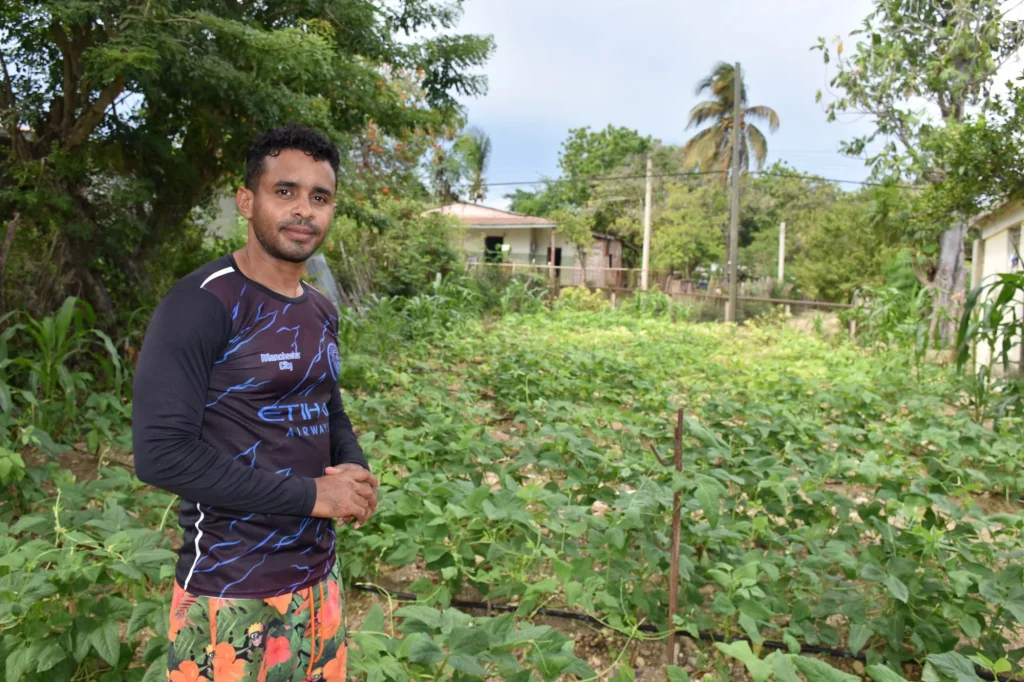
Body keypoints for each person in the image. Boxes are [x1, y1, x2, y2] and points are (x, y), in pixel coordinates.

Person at [132, 124, 378, 682]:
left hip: (320, 582)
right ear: (247, 200)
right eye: (284, 191)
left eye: (320, 197)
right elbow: (161, 455)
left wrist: (354, 468)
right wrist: (313, 494)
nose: (304, 211)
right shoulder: (202, 303)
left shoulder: (320, 309)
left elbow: (327, 403)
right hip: (230, 591)